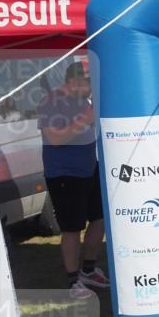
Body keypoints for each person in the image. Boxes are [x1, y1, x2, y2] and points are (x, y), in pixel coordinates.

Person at [37, 61, 109, 299]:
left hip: (89, 168)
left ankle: (88, 270)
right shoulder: (50, 102)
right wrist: (84, 120)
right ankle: (73, 280)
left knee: (100, 219)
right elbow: (55, 139)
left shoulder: (84, 101)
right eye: (89, 83)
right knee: (71, 228)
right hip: (64, 174)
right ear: (74, 81)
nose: (92, 89)